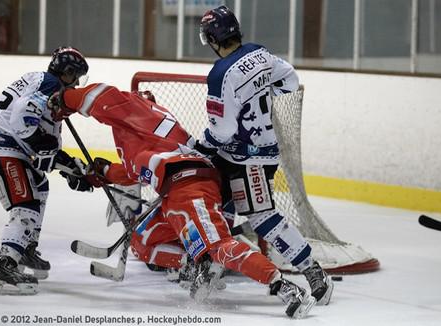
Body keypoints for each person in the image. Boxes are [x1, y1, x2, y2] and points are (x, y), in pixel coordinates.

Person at [49, 84, 316, 318]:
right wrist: (102, 173)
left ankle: (283, 287)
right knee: (143, 241)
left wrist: (65, 100)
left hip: (190, 187)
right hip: (176, 192)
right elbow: (137, 171)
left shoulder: (135, 108)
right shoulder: (147, 134)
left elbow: (101, 95)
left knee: (219, 246)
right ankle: (195, 264)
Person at [196, 5, 333, 305]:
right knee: (214, 201)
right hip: (252, 151)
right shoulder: (259, 52)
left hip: (250, 159)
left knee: (261, 216)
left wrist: (199, 145)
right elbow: (290, 80)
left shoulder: (220, 74)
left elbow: (222, 131)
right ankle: (214, 264)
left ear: (213, 38)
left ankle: (312, 270)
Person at [0, 47, 92, 295]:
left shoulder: (44, 81)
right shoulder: (51, 84)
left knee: (39, 186)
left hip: (6, 142)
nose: (77, 83)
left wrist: (68, 168)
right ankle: (5, 264)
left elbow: (44, 141)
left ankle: (23, 249)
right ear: (66, 72)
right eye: (75, 76)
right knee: (26, 202)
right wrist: (49, 152)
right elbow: (23, 118)